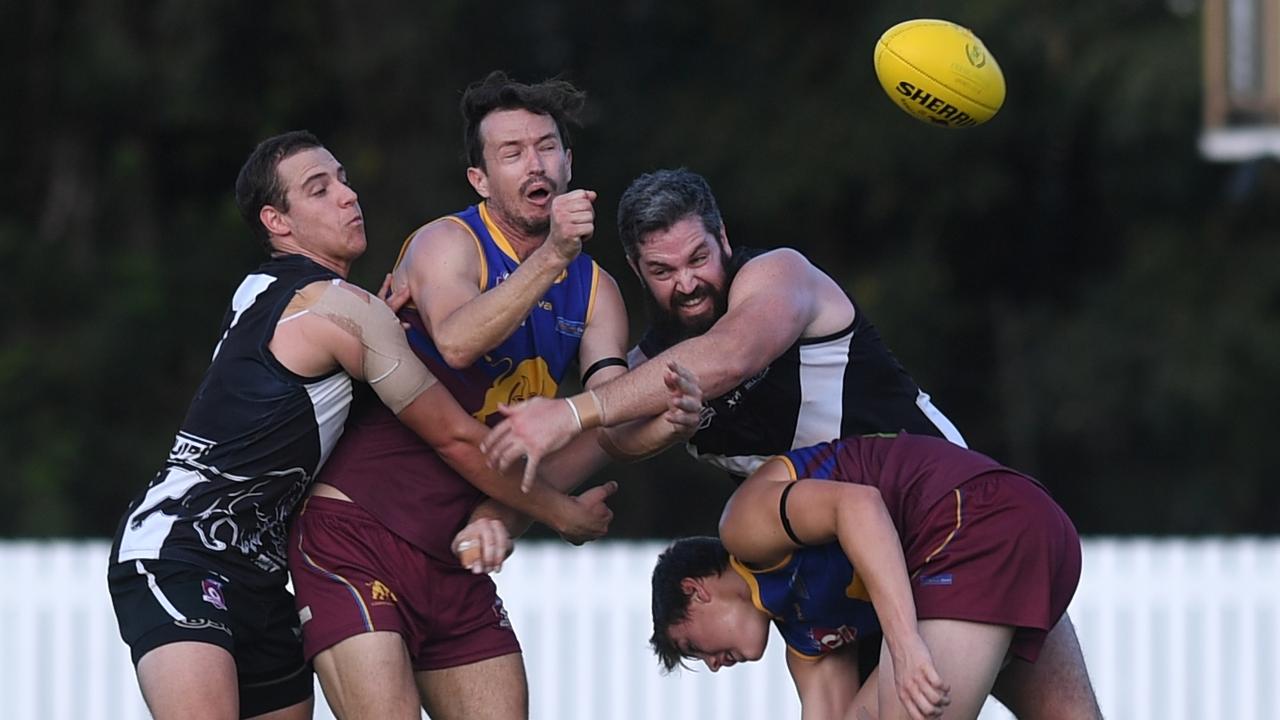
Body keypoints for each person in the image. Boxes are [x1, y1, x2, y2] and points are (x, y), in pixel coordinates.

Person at [484, 167, 1097, 717]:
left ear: (723, 238)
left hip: (948, 527)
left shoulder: (777, 275)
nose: (688, 283)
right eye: (663, 272)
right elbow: (570, 457)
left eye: (698, 257)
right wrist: (489, 523)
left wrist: (572, 411)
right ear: (639, 272)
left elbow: (730, 354)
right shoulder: (653, 380)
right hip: (873, 579)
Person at [288, 72, 697, 720]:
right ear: (480, 179)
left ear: (569, 162)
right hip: (357, 531)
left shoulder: (598, 292)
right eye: (511, 152)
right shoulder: (447, 241)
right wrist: (552, 255)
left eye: (546, 146)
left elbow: (608, 423)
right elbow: (455, 341)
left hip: (456, 558)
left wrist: (672, 424)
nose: (533, 162)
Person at [105, 130, 513, 720]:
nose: (348, 196)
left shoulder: (268, 290)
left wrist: (370, 327)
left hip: (266, 577)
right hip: (181, 547)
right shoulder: (332, 307)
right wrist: (560, 509)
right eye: (320, 190)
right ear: (277, 221)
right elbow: (453, 435)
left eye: (344, 180)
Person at [650, 432, 1102, 720]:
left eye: (691, 646)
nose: (711, 663)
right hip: (1024, 531)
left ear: (696, 591)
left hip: (977, 518)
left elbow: (859, 505)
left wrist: (904, 647)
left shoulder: (742, 530)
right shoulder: (808, 644)